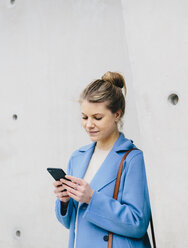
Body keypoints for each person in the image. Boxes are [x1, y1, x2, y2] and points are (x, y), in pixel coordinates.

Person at [53, 72, 152, 248]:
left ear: (117, 115)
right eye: (84, 117)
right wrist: (64, 201)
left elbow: (138, 223)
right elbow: (71, 223)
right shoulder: (77, 158)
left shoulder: (132, 159)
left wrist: (92, 198)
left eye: (97, 118)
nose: (89, 124)